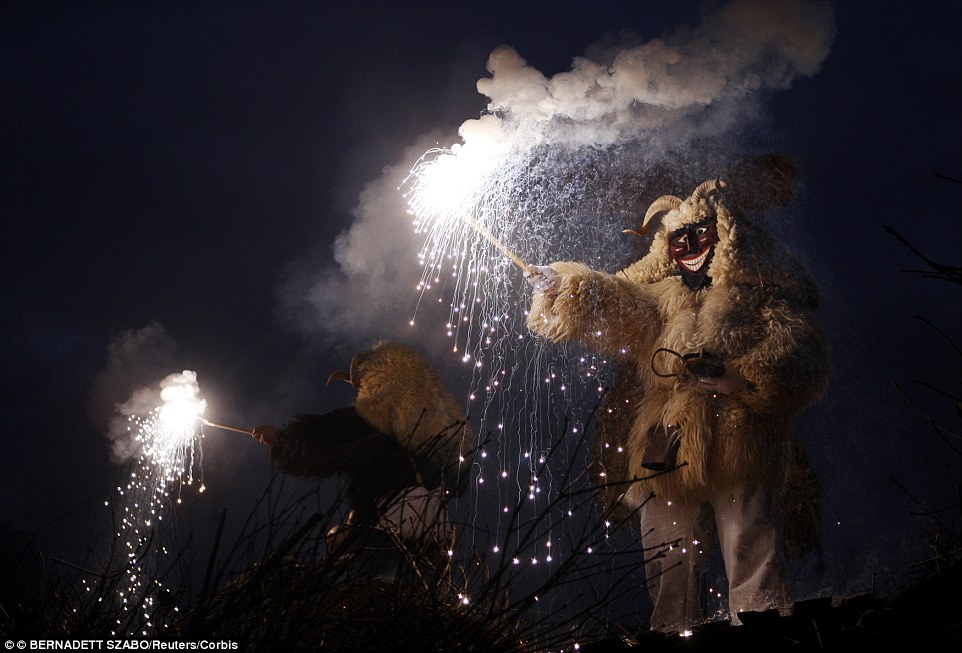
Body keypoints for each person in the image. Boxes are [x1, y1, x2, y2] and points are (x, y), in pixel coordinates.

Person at [525, 178, 830, 632]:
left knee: (748, 539)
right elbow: (618, 301)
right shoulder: (664, 298)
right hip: (669, 440)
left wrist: (741, 379)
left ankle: (765, 633)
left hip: (739, 436)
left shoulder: (758, 294)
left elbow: (801, 355)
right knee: (667, 551)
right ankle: (670, 636)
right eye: (678, 238)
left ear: (723, 234)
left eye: (699, 235)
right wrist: (563, 286)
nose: (688, 246)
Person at [251, 341, 472, 572]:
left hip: (381, 538)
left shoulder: (371, 421)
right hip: (427, 548)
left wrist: (281, 438)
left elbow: (321, 441)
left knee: (352, 562)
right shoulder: (432, 432)